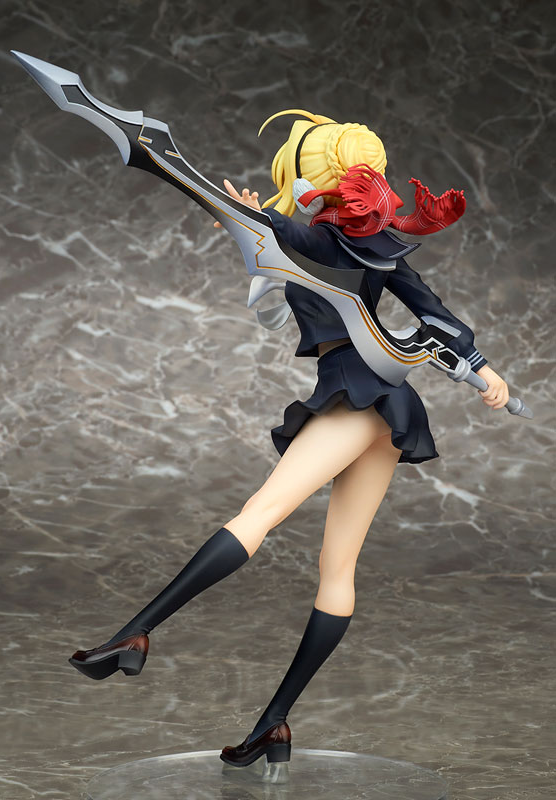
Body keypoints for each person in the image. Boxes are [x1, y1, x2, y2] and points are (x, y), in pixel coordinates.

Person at [69, 109, 509, 768]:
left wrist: (249, 224)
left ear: (308, 176)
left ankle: (135, 634)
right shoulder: (370, 244)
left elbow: (284, 281)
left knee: (260, 513)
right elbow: (424, 310)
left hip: (356, 398)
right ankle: (272, 725)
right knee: (337, 570)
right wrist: (480, 370)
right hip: (393, 410)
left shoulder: (305, 234)